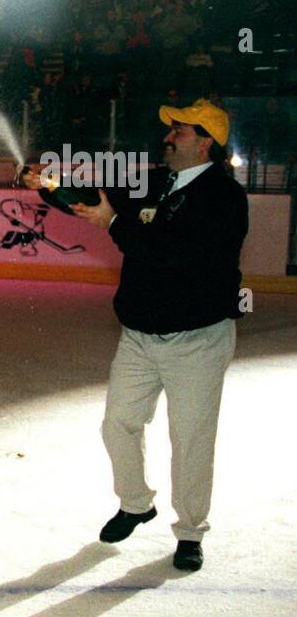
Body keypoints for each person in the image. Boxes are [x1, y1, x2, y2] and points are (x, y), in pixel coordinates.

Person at [65, 99, 247, 572]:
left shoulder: (224, 198)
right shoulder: (155, 181)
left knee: (189, 439)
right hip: (139, 337)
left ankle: (190, 531)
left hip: (197, 340)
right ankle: (135, 503)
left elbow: (176, 253)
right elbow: (94, 197)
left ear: (205, 141)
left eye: (179, 131)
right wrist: (45, 182)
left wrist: (116, 224)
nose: (167, 137)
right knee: (117, 424)